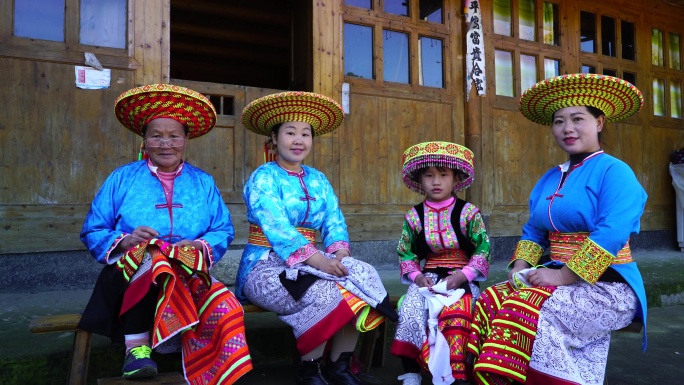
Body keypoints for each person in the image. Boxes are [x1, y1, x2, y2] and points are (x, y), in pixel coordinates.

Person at [467, 73, 648, 385]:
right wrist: (521, 266)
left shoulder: (616, 171)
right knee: (490, 300)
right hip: (559, 279)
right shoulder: (550, 177)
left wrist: (563, 276)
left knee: (522, 310)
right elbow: (534, 230)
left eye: (578, 119)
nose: (567, 129)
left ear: (599, 123)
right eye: (559, 121)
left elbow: (613, 232)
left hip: (608, 286)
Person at [79, 84, 252, 384]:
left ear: (185, 140)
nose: (165, 143)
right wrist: (128, 240)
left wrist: (198, 245)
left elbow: (223, 229)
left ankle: (217, 367)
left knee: (227, 307)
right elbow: (93, 229)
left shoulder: (203, 182)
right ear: (144, 140)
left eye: (173, 136)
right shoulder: (122, 178)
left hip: (188, 270)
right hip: (130, 272)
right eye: (156, 135)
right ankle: (136, 351)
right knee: (153, 260)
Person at [235, 91, 398, 385]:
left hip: (313, 262)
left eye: (306, 133)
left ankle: (339, 367)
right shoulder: (264, 177)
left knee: (360, 276)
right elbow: (277, 227)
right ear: (274, 138)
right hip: (266, 265)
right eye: (290, 132)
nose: (299, 140)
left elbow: (334, 221)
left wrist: (340, 255)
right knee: (324, 293)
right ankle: (310, 371)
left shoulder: (318, 179)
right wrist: (318, 259)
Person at [390, 141, 491, 385]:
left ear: (455, 179)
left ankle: (455, 375)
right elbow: (406, 252)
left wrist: (463, 276)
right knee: (410, 310)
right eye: (429, 175)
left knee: (459, 312)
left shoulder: (469, 213)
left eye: (443, 175)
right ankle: (412, 372)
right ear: (420, 180)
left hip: (461, 276)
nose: (436, 182)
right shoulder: (414, 216)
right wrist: (417, 277)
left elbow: (483, 248)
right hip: (428, 277)